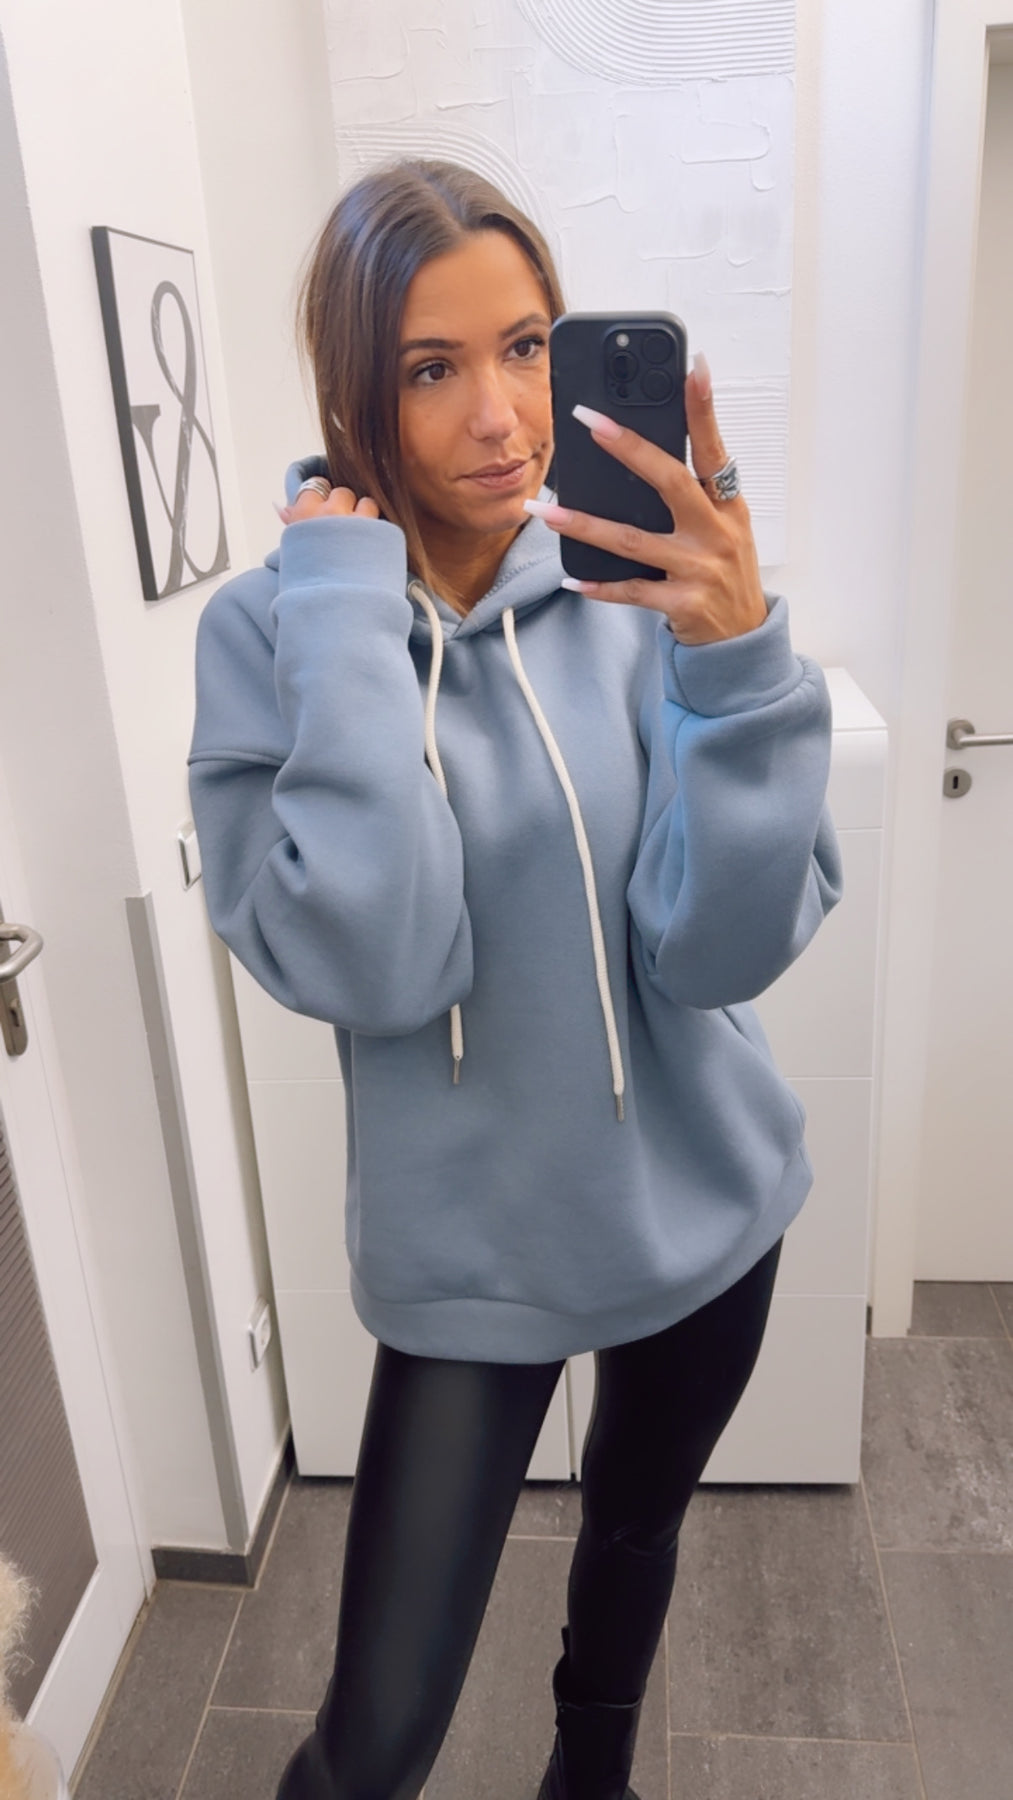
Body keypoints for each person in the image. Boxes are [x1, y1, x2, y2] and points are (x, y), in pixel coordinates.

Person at [188, 159, 842, 1800]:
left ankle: (588, 1774)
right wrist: (346, 622)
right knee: (370, 1745)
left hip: (703, 1213)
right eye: (432, 367)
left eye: (528, 346)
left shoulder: (647, 585)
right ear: (356, 391)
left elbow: (719, 950)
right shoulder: (269, 633)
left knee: (631, 1540)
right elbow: (377, 964)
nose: (501, 415)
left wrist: (737, 663)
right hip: (468, 1261)